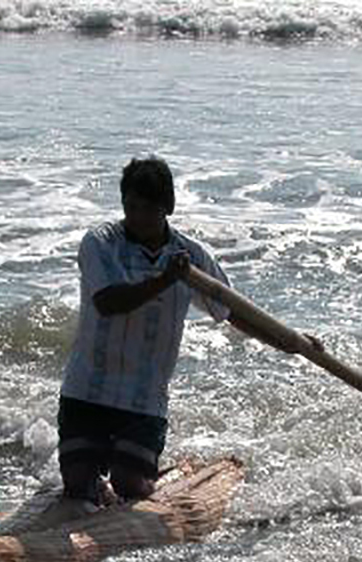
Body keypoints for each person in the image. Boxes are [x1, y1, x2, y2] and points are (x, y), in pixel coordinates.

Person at [58, 155, 293, 504]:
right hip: (87, 392)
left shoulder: (191, 256)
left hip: (143, 400)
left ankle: (148, 486)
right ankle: (93, 489)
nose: (135, 217)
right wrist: (164, 280)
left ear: (167, 206)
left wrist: (290, 343)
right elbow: (109, 303)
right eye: (130, 207)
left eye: (145, 209)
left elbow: (232, 311)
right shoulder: (101, 243)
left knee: (130, 485)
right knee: (78, 486)